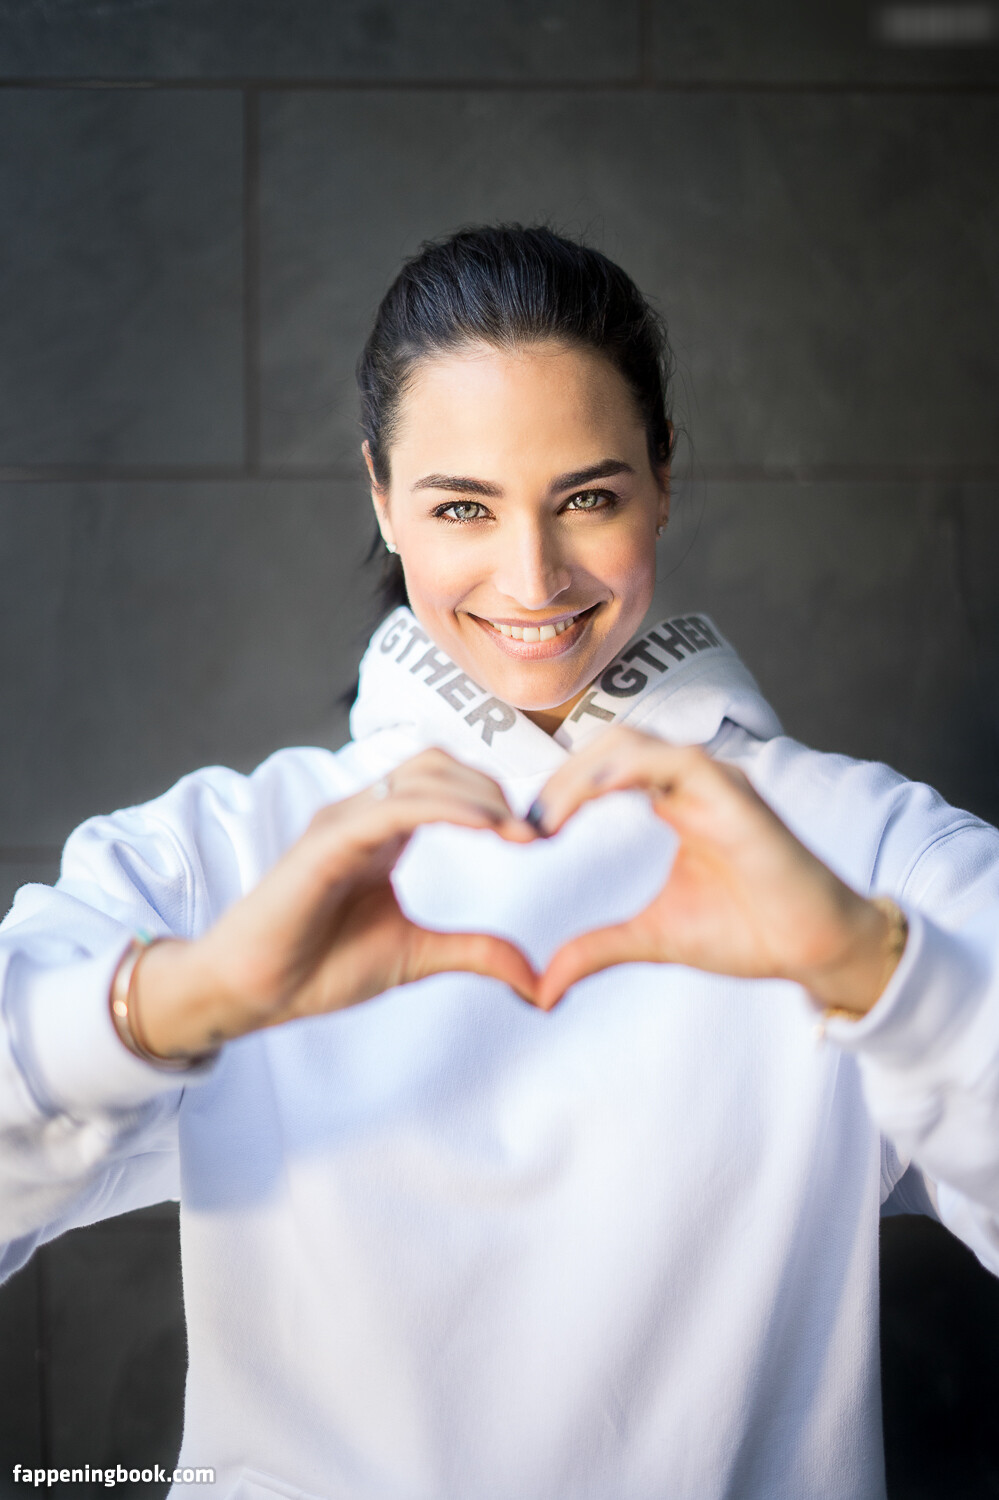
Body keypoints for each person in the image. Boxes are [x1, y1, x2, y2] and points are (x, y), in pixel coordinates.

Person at [2, 224, 998, 1500]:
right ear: (381, 495)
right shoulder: (216, 860)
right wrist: (189, 996)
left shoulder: (869, 852)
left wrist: (872, 971)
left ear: (665, 476)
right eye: (463, 506)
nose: (532, 579)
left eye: (588, 498)